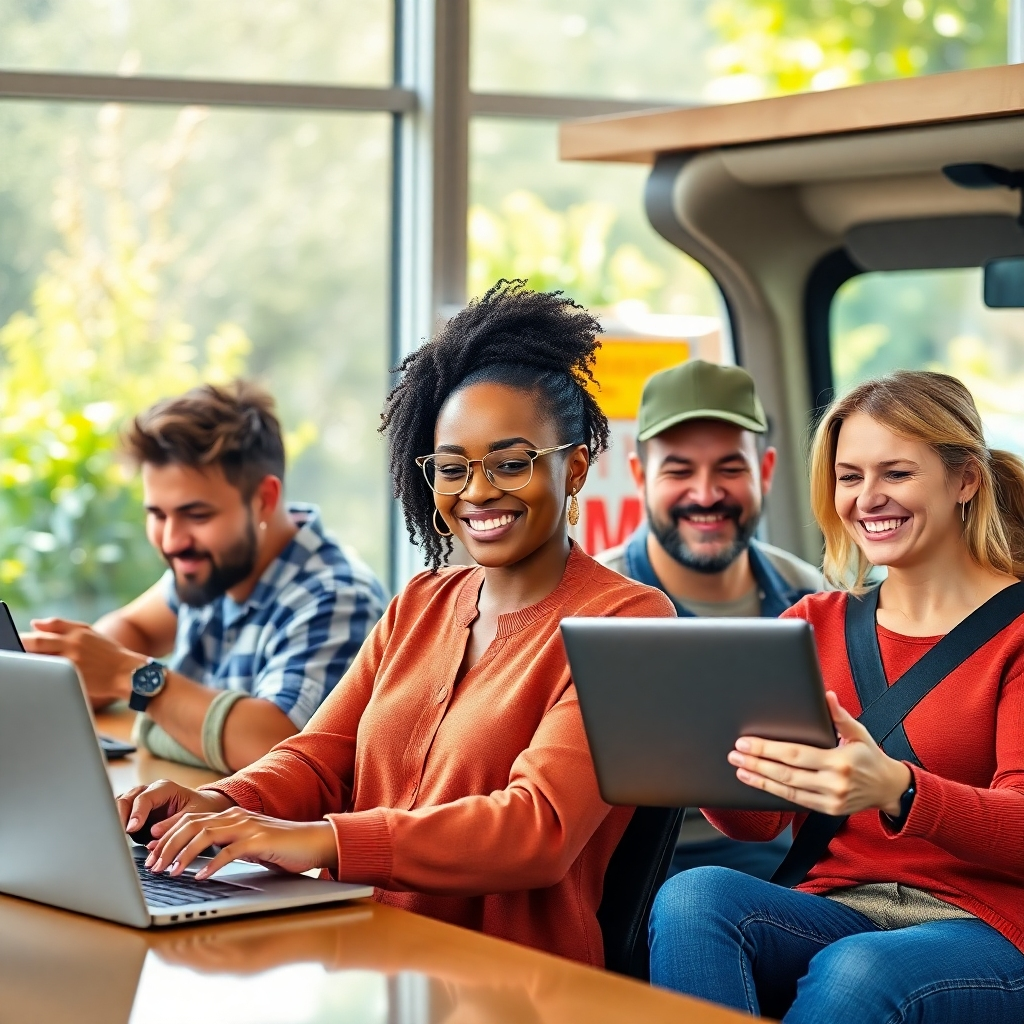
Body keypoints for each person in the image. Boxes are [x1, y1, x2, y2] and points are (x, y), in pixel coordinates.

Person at [116, 281, 675, 965]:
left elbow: (539, 830)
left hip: (510, 985)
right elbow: (320, 758)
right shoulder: (422, 603)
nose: (477, 491)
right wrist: (218, 805)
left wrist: (325, 841)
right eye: (452, 467)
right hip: (357, 952)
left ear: (575, 467)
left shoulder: (629, 620)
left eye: (510, 463)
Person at [649, 370, 1024, 1022]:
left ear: (965, 480)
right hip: (837, 904)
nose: (868, 498)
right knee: (691, 898)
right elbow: (757, 823)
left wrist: (897, 790)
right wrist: (707, 757)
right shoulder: (809, 623)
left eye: (896, 474)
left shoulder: (1015, 632)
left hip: (986, 924)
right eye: (850, 477)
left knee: (858, 971)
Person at [24, 381, 386, 773]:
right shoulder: (215, 565)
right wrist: (79, 669)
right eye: (157, 514)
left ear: (263, 499)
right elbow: (134, 627)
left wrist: (124, 675)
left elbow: (278, 748)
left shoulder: (337, 597)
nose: (171, 540)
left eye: (197, 515)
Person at [599, 359, 823, 880]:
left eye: (730, 469)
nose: (706, 495)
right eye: (679, 471)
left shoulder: (816, 598)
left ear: (764, 472)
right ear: (640, 478)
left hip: (791, 874)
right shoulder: (595, 603)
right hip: (625, 878)